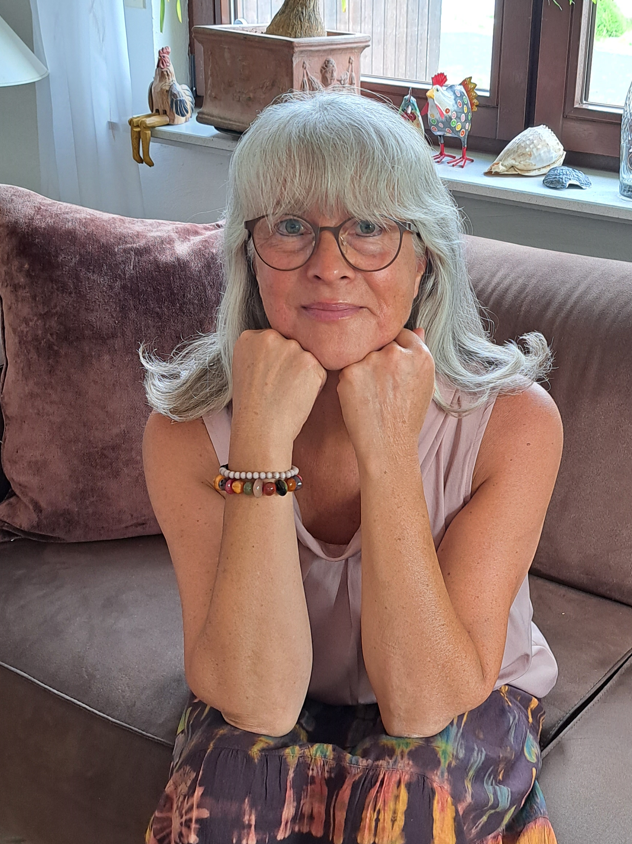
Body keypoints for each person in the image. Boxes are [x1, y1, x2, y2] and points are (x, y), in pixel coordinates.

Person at [140, 89, 563, 844]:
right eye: (291, 226)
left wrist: (389, 447)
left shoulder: (517, 424)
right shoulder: (184, 435)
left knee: (405, 806)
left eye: (368, 227)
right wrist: (260, 440)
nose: (328, 266)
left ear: (425, 259)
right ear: (248, 256)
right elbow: (257, 703)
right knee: (225, 793)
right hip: (275, 687)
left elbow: (425, 703)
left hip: (456, 693)